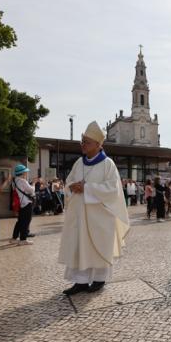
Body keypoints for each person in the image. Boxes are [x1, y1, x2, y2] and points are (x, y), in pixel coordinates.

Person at [59, 121, 129, 295]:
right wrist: (72, 186)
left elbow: (113, 190)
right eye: (82, 141)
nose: (83, 145)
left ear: (98, 144)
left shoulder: (108, 164)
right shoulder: (79, 163)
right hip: (79, 216)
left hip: (100, 217)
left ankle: (99, 279)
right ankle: (81, 281)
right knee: (80, 247)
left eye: (87, 142)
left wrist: (87, 188)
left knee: (99, 247)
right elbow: (68, 181)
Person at [10, 164, 36, 245]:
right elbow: (31, 190)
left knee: (20, 221)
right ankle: (23, 240)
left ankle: (14, 238)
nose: (26, 173)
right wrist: (34, 184)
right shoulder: (22, 181)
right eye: (25, 172)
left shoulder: (15, 180)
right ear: (22, 173)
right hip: (26, 203)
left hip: (20, 204)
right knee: (26, 222)